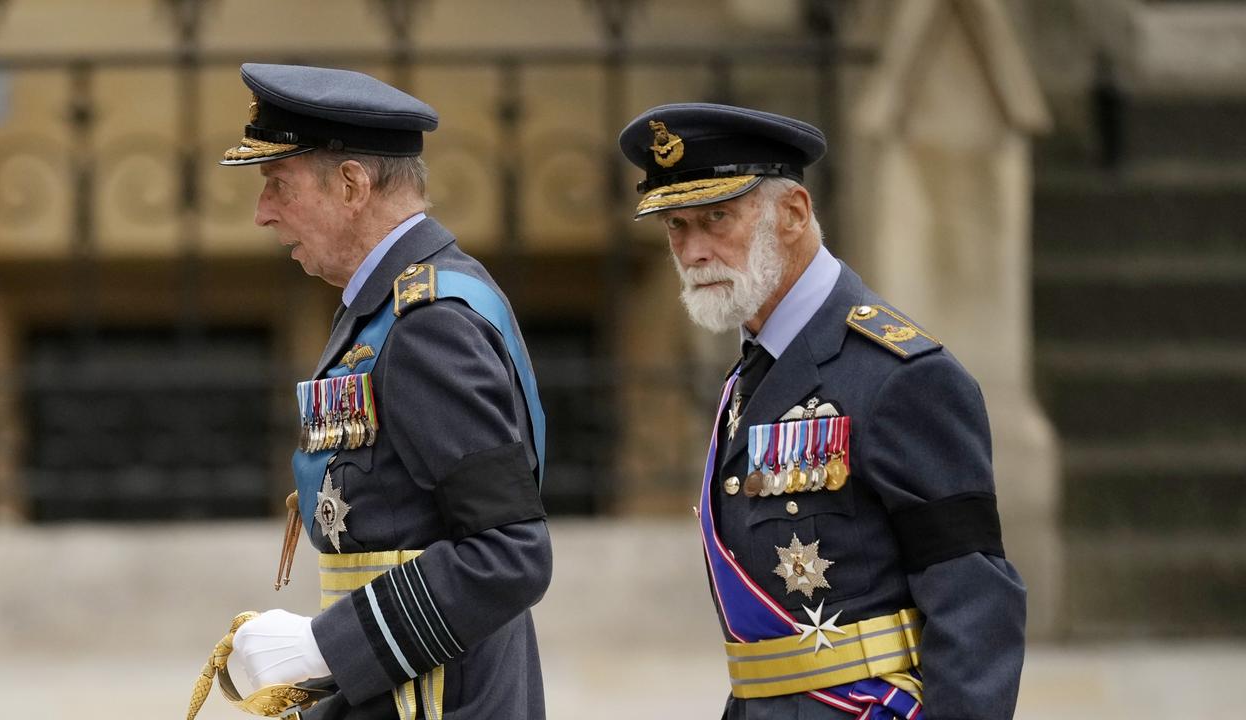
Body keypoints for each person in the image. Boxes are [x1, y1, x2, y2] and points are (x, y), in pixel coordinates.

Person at [618, 104, 1026, 720]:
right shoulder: (752, 368)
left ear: (793, 214)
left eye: (717, 218)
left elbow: (975, 604)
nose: (695, 250)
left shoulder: (902, 376)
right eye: (676, 226)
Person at [218, 63, 551, 720]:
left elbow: (510, 554)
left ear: (351, 185)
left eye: (278, 185)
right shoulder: (388, 305)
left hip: (441, 695)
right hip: (406, 678)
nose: (262, 214)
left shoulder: (429, 323)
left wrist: (327, 646)